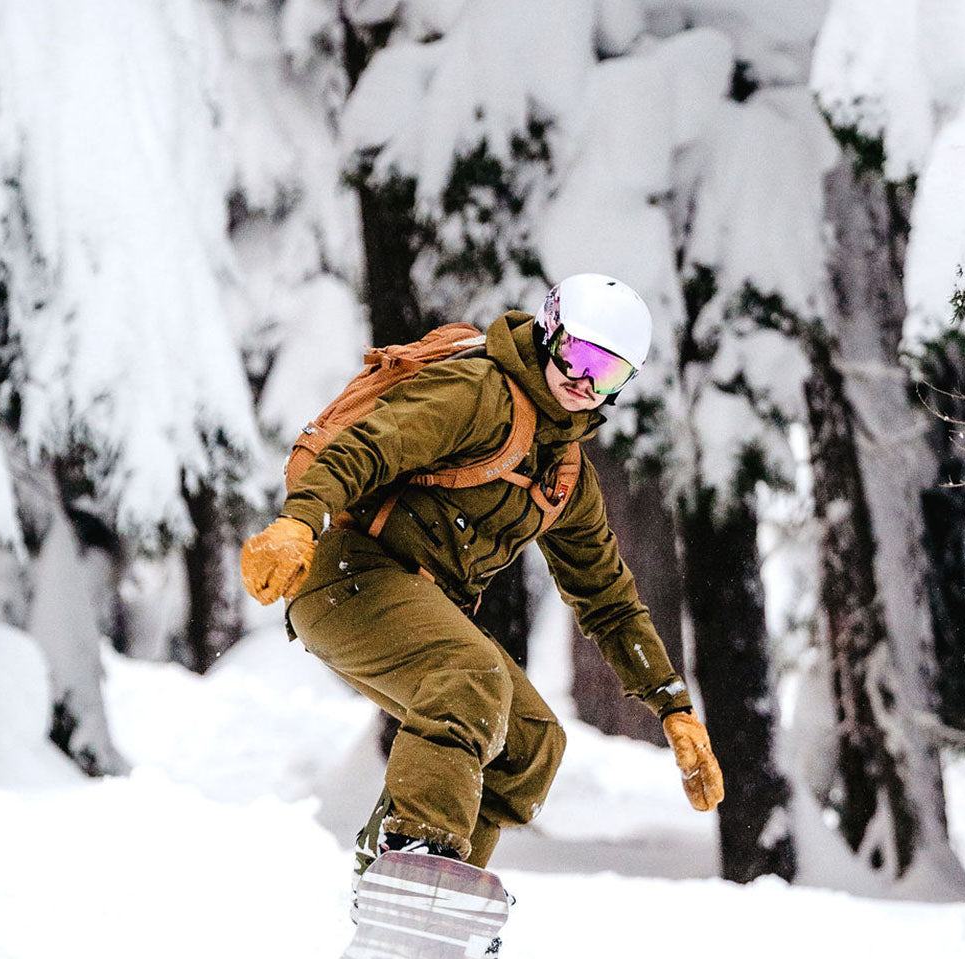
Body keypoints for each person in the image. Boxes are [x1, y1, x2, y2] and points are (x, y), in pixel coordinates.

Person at [240, 273, 724, 888]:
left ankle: (411, 890)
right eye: (579, 354)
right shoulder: (478, 393)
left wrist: (672, 706)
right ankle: (417, 862)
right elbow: (367, 447)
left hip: (412, 599)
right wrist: (298, 523)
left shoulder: (565, 477)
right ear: (549, 334)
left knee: (530, 745)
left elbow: (609, 601)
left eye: (609, 373)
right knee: (470, 677)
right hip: (343, 571)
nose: (584, 381)